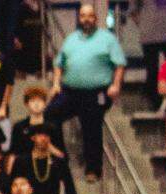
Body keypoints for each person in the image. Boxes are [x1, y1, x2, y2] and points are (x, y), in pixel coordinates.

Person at [47, 3, 126, 181]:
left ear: (96, 18)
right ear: (79, 18)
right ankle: (60, 156)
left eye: (90, 16)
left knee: (91, 126)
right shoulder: (71, 38)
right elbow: (59, 64)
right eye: (83, 16)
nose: (86, 19)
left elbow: (119, 64)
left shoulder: (107, 38)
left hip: (96, 92)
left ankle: (93, 169)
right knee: (50, 114)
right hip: (70, 91)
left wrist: (116, 85)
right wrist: (56, 84)